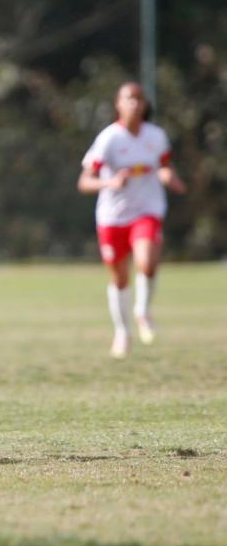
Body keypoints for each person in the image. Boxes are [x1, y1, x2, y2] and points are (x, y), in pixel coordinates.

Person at [77, 81, 186, 358]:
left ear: (145, 104)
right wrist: (111, 182)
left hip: (147, 211)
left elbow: (164, 166)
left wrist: (170, 178)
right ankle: (122, 332)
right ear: (118, 104)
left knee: (147, 262)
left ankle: (142, 311)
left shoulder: (156, 136)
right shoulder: (109, 139)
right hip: (112, 217)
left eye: (139, 99)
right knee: (119, 277)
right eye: (128, 99)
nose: (134, 104)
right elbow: (85, 182)